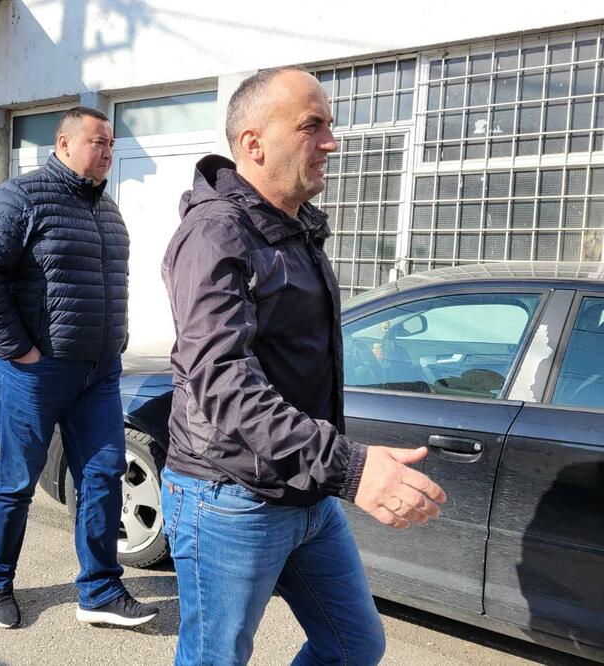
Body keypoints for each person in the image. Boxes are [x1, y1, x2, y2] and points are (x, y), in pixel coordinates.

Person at [159, 66, 447, 665]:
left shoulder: (294, 227)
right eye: (311, 126)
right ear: (254, 143)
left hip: (306, 491)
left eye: (329, 125)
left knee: (353, 645)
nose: (331, 143)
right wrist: (352, 469)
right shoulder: (215, 234)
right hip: (230, 495)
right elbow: (224, 381)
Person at [0, 106, 157, 629]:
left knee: (104, 473)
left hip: (98, 372)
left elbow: (112, 283)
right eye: (98, 142)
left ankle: (100, 590)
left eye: (111, 143)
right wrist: (17, 348)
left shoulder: (107, 210)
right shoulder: (20, 197)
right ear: (64, 144)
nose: (108, 151)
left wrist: (117, 339)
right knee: (17, 478)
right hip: (35, 371)